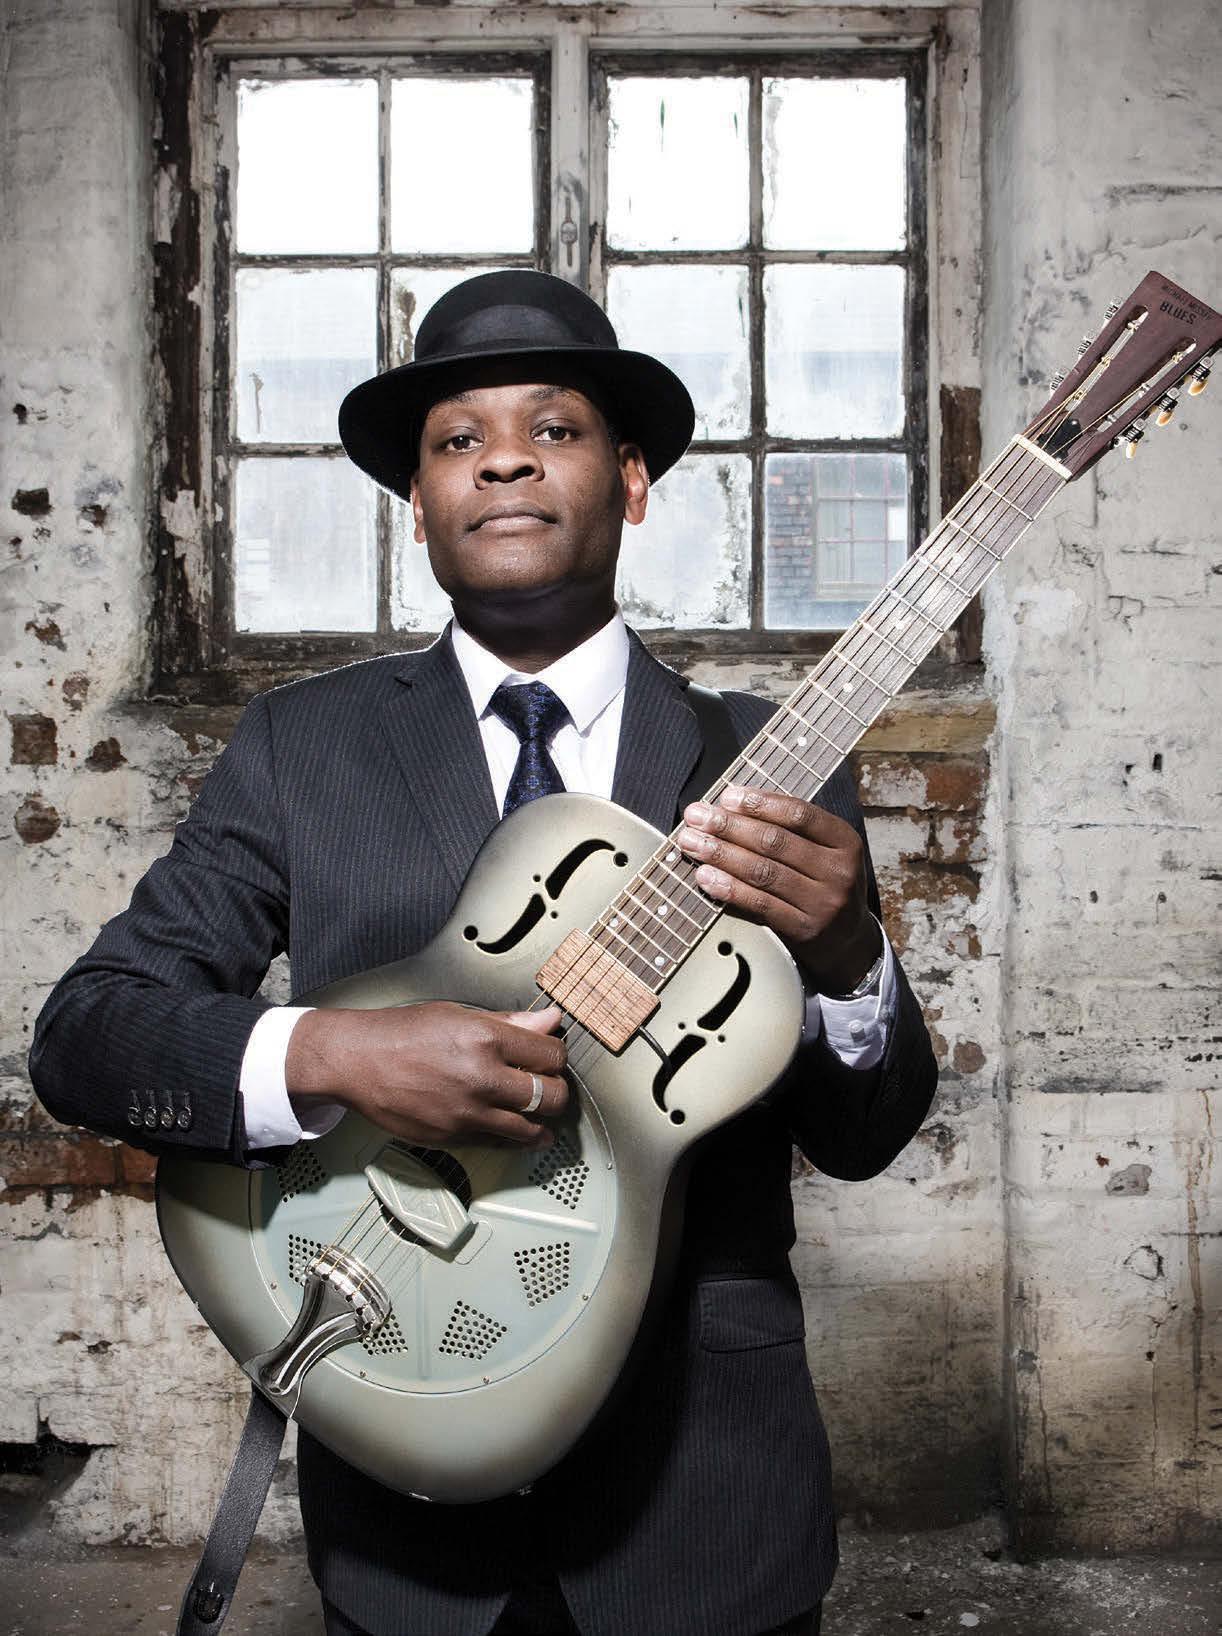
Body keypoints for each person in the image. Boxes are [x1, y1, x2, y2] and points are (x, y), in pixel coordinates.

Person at [31, 271, 938, 1636]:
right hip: (406, 1500)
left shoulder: (766, 761)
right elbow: (88, 1037)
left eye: (553, 428)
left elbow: (865, 1136)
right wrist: (334, 1054)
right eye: (457, 440)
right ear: (419, 504)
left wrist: (850, 954)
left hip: (707, 1500)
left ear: (633, 482)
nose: (503, 458)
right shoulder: (300, 748)